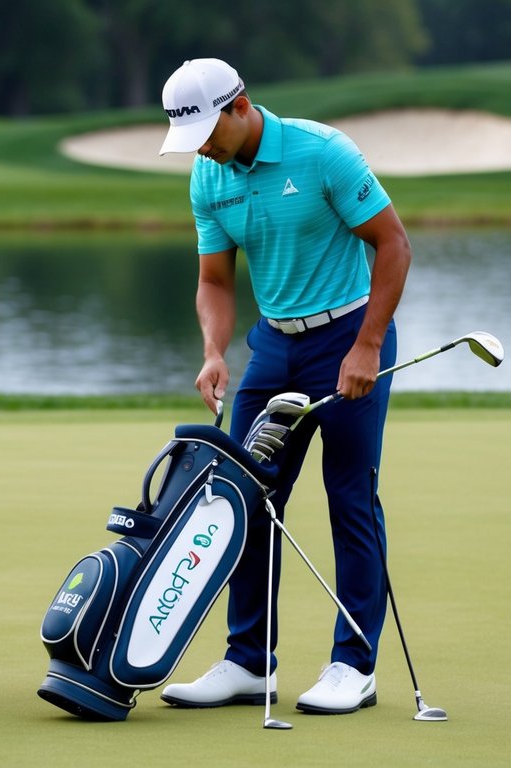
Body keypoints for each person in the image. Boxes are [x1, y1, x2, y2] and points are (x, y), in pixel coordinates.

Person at [155, 58, 412, 715]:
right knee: (243, 498)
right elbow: (214, 280)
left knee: (349, 496)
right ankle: (248, 663)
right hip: (272, 345)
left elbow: (392, 244)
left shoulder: (321, 151)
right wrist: (214, 352)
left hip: (346, 335)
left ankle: (352, 666)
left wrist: (367, 345)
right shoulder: (207, 176)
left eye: (209, 131)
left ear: (240, 105)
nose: (202, 149)